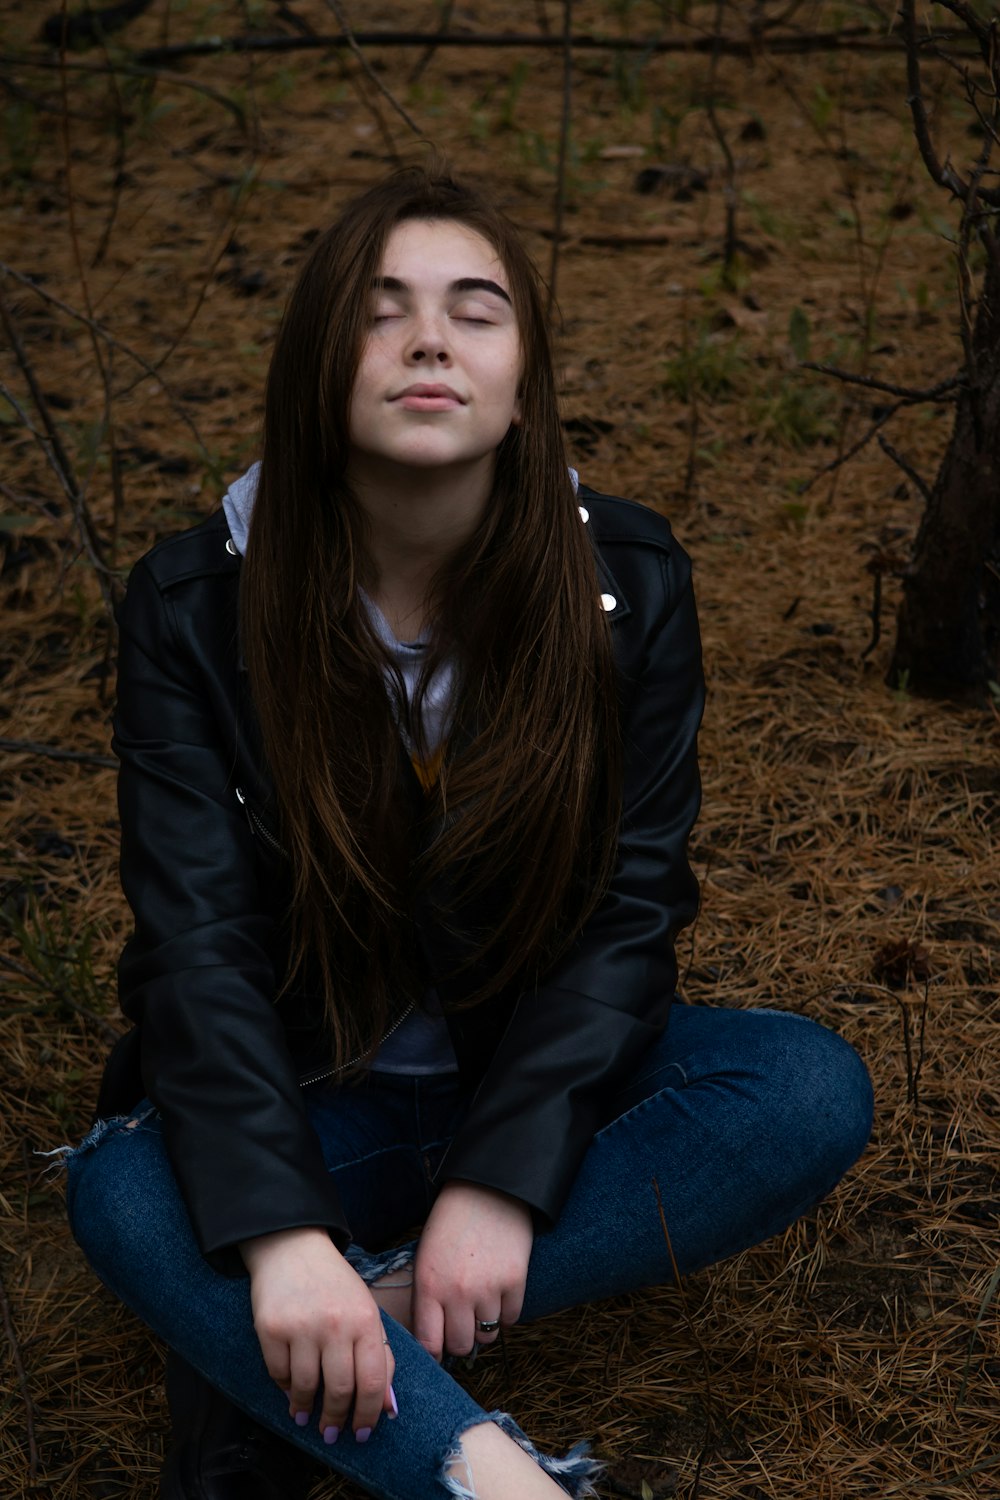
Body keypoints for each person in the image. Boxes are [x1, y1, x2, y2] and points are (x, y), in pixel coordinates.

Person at [65, 165, 874, 1500]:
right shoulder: (193, 605)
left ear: (523, 374)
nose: (430, 338)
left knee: (802, 1088)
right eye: (381, 312)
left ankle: (354, 1330)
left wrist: (502, 1181)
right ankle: (484, 1469)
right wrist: (274, 1228)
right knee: (124, 1193)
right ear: (319, 364)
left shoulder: (631, 584)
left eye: (475, 309)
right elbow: (195, 947)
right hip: (313, 1100)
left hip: (533, 1088)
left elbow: (631, 910)